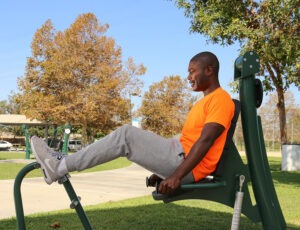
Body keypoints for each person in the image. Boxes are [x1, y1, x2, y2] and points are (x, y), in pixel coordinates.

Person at [31, 51, 234, 195]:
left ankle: (59, 166)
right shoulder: (205, 101)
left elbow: (205, 141)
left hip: (185, 164)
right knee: (130, 135)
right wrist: (162, 172)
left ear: (209, 70)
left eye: (192, 71)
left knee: (126, 135)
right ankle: (61, 161)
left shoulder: (221, 99)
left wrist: (176, 177)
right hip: (179, 156)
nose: (188, 77)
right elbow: (192, 139)